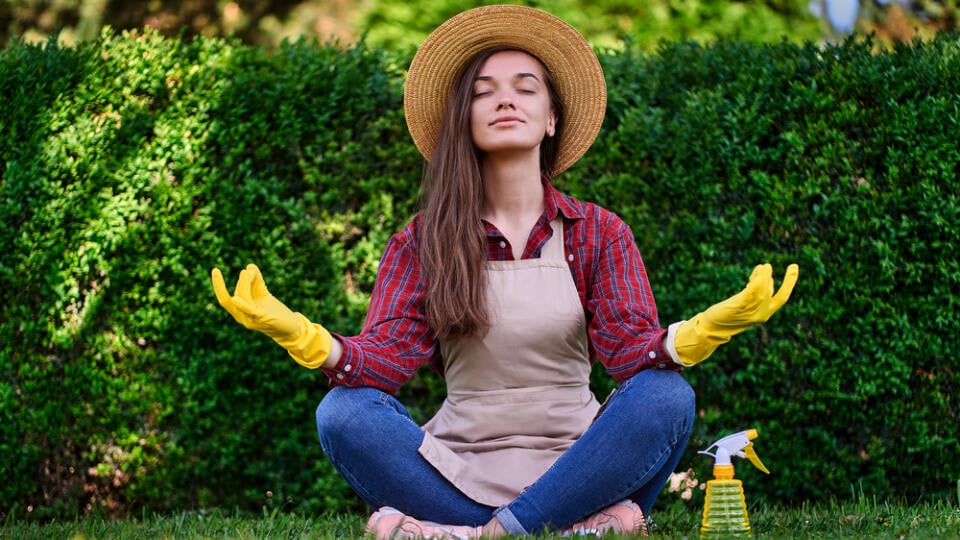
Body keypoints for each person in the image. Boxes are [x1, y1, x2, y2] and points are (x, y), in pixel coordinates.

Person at [210, 5, 799, 538]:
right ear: (463, 120)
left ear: (550, 119)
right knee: (342, 412)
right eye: (483, 92)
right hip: (456, 466)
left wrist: (699, 333)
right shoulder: (422, 241)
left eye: (525, 87)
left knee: (666, 396)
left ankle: (468, 536)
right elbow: (385, 361)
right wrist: (306, 339)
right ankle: (569, 530)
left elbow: (628, 355)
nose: (505, 100)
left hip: (580, 464)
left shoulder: (599, 233)